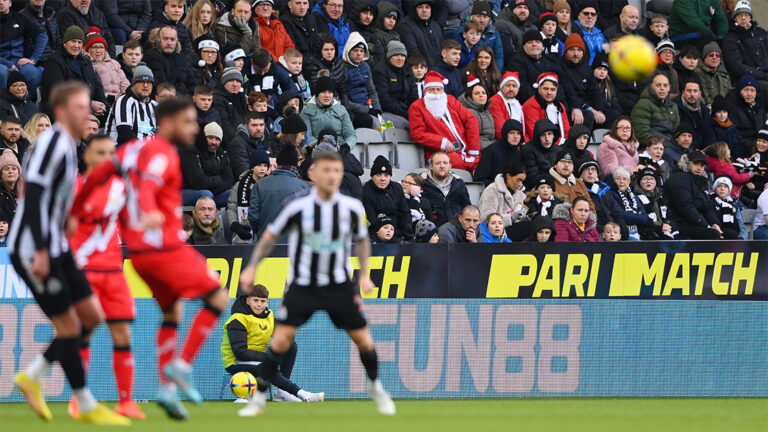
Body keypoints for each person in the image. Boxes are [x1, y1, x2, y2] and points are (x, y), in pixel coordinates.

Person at [72, 97, 229, 420]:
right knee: (217, 297)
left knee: (172, 312)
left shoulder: (129, 150)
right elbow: (148, 185)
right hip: (163, 248)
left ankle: (165, 388)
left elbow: (98, 175)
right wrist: (146, 212)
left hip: (139, 254)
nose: (194, 128)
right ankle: (181, 366)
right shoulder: (162, 152)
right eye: (188, 121)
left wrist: (75, 210)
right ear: (168, 122)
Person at [238, 151, 395, 417]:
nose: (332, 175)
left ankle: (376, 387)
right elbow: (269, 235)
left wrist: (365, 273)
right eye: (326, 170)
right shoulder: (296, 205)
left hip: (339, 285)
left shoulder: (351, 207)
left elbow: (362, 241)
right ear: (312, 174)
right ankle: (259, 399)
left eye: (337, 170)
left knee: (364, 340)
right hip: (303, 285)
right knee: (280, 342)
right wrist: (252, 266)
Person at [10, 81, 129, 426]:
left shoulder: (67, 145)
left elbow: (51, 199)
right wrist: (44, 250)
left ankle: (32, 375)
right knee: (69, 324)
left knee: (91, 316)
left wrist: (65, 222)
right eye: (79, 107)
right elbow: (32, 195)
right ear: (61, 112)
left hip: (55, 244)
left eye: (87, 106)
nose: (87, 112)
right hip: (33, 248)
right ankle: (85, 403)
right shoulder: (51, 143)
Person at [67, 134, 143, 419]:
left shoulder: (120, 188)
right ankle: (79, 400)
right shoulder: (74, 189)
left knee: (122, 333)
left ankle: (126, 402)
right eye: (101, 152)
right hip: (84, 271)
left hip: (113, 270)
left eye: (112, 153)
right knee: (82, 334)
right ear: (87, 156)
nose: (108, 159)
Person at [221, 284, 324, 403]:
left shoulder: (268, 316)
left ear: (267, 302)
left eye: (262, 301)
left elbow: (283, 335)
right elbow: (240, 353)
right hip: (235, 362)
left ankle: (281, 393)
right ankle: (303, 394)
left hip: (257, 357)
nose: (259, 305)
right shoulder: (237, 320)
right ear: (248, 300)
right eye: (255, 300)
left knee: (290, 346)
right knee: (267, 366)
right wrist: (269, 358)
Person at [408, 71, 481, 172]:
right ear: (425, 92)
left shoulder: (450, 100)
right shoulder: (416, 107)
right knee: (455, 163)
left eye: (439, 89)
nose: (436, 93)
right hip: (437, 151)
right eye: (432, 90)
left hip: (463, 149)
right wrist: (442, 142)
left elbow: (471, 119)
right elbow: (418, 134)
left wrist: (473, 148)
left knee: (482, 164)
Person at [248, 143, 309, 242]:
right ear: (294, 165)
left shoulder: (260, 185)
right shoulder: (303, 187)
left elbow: (253, 217)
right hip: (291, 246)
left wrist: (260, 231)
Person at [41, 26, 108, 116]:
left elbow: (97, 85)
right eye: (73, 41)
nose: (76, 45)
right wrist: (90, 104)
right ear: (65, 43)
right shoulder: (54, 61)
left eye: (79, 42)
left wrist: (102, 105)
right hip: (63, 109)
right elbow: (58, 91)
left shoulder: (86, 61)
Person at [664, 151, 731, 240]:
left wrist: (714, 224)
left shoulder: (701, 182)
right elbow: (685, 207)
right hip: (680, 224)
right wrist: (706, 225)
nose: (699, 168)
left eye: (702, 165)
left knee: (731, 234)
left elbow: (708, 207)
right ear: (687, 163)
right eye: (696, 164)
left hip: (697, 224)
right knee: (712, 234)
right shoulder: (678, 179)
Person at [180, 122, 233, 207]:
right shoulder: (190, 151)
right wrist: (219, 180)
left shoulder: (221, 154)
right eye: (210, 137)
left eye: (217, 139)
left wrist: (214, 188)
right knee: (206, 195)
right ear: (203, 138)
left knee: (233, 195)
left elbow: (229, 180)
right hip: (186, 192)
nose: (214, 142)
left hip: (212, 193)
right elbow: (197, 182)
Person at [105, 63, 157, 145]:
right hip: (121, 149)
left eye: (149, 82)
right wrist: (145, 150)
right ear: (133, 84)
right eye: (141, 82)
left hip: (149, 150)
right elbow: (124, 132)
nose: (146, 85)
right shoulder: (124, 101)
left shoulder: (154, 105)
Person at [362, 155, 412, 240]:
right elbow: (373, 221)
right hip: (378, 234)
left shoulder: (397, 188)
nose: (383, 178)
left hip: (398, 231)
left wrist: (407, 227)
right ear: (372, 176)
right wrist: (394, 232)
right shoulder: (366, 191)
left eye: (386, 175)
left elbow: (405, 212)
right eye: (378, 175)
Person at [559, 33, 603, 131]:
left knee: (613, 114)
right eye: (572, 50)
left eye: (579, 50)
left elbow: (594, 91)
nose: (576, 53)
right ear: (565, 52)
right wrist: (587, 109)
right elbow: (568, 93)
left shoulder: (586, 68)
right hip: (569, 107)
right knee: (588, 115)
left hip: (586, 106)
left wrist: (599, 110)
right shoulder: (560, 67)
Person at [0, 0, 46, 92]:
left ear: (10, 3)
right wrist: (9, 65)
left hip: (19, 61)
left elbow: (42, 36)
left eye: (4, 0)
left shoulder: (20, 17)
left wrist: (34, 59)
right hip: (1, 61)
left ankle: (27, 103)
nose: (1, 2)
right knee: (2, 73)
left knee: (34, 74)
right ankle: (4, 104)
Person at [227, 149, 270, 244]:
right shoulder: (240, 185)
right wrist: (235, 225)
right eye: (259, 165)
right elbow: (231, 207)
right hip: (243, 231)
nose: (262, 168)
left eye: (265, 165)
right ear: (252, 167)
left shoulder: (271, 185)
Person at [300, 76, 356, 148]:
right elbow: (307, 136)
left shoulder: (341, 109)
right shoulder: (306, 110)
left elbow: (351, 135)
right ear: (317, 94)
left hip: (340, 150)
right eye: (323, 92)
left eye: (330, 92)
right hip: (316, 151)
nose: (327, 95)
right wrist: (323, 147)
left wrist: (346, 146)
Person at [577, 155, 626, 235]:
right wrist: (604, 230)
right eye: (586, 169)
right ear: (580, 174)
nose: (590, 172)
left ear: (597, 174)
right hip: (592, 233)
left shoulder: (605, 189)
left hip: (612, 233)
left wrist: (622, 229)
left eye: (593, 169)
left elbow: (617, 212)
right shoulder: (577, 191)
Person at [372, 41, 417, 129]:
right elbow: (384, 99)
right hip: (388, 112)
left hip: (407, 111)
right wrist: (405, 113)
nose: (400, 58)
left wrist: (413, 112)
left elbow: (413, 95)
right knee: (407, 126)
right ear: (389, 56)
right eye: (396, 55)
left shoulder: (407, 70)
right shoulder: (380, 70)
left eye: (403, 55)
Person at [420, 152, 472, 227]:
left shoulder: (459, 184)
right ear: (431, 166)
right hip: (433, 232)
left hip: (457, 230)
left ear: (450, 166)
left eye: (445, 163)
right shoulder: (422, 184)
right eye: (438, 163)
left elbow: (467, 209)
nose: (442, 166)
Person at [341, 33, 381, 129]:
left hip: (368, 106)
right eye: (355, 50)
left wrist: (377, 108)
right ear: (348, 51)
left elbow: (372, 90)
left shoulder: (365, 66)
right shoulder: (342, 68)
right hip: (353, 110)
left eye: (362, 51)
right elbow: (344, 98)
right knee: (368, 121)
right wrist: (366, 110)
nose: (359, 54)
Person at [723, 2, 768, 85]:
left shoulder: (761, 33)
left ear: (750, 18)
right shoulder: (730, 38)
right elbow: (736, 66)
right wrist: (761, 74)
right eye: (740, 15)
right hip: (748, 80)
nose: (743, 18)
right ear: (735, 18)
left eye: (746, 15)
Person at [142, 26, 196, 95]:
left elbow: (192, 83)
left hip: (183, 98)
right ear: (158, 39)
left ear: (177, 41)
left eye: (172, 39)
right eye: (165, 39)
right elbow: (161, 85)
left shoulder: (181, 57)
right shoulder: (151, 56)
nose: (169, 43)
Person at [631, 73, 680, 148]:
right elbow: (642, 133)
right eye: (658, 85)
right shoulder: (643, 104)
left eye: (665, 85)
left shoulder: (673, 106)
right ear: (652, 87)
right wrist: (662, 145)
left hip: (670, 143)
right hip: (655, 146)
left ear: (669, 88)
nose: (662, 88)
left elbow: (677, 131)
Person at [522, 72, 569, 145]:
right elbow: (535, 134)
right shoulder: (530, 105)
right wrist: (562, 143)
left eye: (553, 89)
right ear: (539, 88)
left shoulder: (560, 106)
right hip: (537, 147)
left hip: (558, 145)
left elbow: (566, 131)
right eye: (546, 89)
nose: (549, 92)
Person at [726, 74, 767, 157]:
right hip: (744, 149)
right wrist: (754, 145)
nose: (749, 94)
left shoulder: (760, 106)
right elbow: (735, 132)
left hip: (760, 145)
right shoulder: (733, 107)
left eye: (752, 90)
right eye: (746, 90)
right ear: (740, 91)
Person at [474, 118, 523, 186]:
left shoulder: (518, 154)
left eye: (518, 133)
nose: (515, 137)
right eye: (512, 133)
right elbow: (480, 179)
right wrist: (500, 187)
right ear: (505, 134)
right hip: (492, 191)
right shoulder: (491, 151)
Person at [84, 28, 128, 102]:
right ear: (89, 50)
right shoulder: (87, 65)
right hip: (103, 100)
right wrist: (110, 98)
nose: (98, 50)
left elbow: (124, 81)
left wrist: (125, 95)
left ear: (105, 50)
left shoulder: (114, 63)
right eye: (95, 47)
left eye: (101, 47)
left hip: (120, 99)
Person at [478, 161, 527, 227]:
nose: (520, 184)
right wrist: (510, 218)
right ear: (508, 176)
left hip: (513, 228)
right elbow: (486, 217)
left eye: (522, 181)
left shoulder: (520, 194)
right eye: (518, 180)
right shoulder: (492, 190)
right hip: (496, 231)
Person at [634, 166, 677, 240]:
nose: (648, 181)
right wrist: (660, 226)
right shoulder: (636, 198)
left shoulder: (661, 197)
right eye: (645, 179)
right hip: (646, 232)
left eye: (651, 179)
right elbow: (642, 219)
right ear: (639, 182)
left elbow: (668, 216)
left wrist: (670, 225)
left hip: (664, 229)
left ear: (656, 181)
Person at [548, 148, 596, 213]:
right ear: (555, 165)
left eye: (570, 162)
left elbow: (590, 206)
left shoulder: (579, 183)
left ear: (573, 168)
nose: (566, 165)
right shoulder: (548, 183)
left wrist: (591, 221)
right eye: (563, 161)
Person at [610, 167, 650, 240]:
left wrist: (643, 218)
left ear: (629, 182)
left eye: (624, 179)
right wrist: (641, 218)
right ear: (614, 180)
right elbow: (623, 215)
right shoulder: (611, 194)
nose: (621, 181)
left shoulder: (634, 195)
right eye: (618, 178)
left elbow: (644, 214)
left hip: (638, 232)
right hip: (621, 233)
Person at [398, 0, 442, 67]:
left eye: (427, 7)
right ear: (414, 9)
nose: (424, 10)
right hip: (420, 70)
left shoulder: (435, 26)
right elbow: (413, 53)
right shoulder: (405, 26)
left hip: (437, 70)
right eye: (420, 7)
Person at [19, 0, 61, 69]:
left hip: (54, 59)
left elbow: (59, 41)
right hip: (36, 63)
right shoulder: (22, 16)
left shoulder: (50, 15)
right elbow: (28, 47)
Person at [675, 80, 716, 150]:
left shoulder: (704, 110)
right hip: (684, 148)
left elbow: (708, 133)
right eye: (689, 91)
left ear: (700, 94)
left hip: (703, 149)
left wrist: (708, 150)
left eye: (695, 91)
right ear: (683, 92)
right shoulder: (675, 107)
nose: (692, 94)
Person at [521, 118, 559, 189]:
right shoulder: (528, 150)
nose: (547, 139)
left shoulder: (558, 149)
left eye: (549, 134)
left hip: (557, 185)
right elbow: (532, 179)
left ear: (554, 135)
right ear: (538, 136)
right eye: (543, 135)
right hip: (537, 188)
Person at [459, 79, 495, 149]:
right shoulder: (469, 113)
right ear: (470, 97)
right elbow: (473, 139)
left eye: (484, 93)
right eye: (476, 93)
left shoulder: (487, 111)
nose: (481, 95)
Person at [488, 71, 523, 139]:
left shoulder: (516, 103)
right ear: (501, 87)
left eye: (514, 86)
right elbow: (500, 130)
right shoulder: (495, 101)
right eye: (508, 85)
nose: (511, 89)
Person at [711, 175, 747, 239]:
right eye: (719, 186)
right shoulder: (710, 202)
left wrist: (742, 238)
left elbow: (741, 225)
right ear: (715, 188)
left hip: (734, 237)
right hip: (717, 236)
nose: (722, 189)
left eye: (725, 186)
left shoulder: (734, 205)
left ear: (729, 189)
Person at [592, 52, 622, 128]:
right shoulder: (590, 82)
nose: (602, 72)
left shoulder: (608, 83)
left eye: (605, 70)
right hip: (594, 113)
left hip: (606, 113)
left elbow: (614, 102)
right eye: (599, 69)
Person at [571, 1, 606, 65]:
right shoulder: (573, 31)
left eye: (593, 14)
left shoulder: (600, 34)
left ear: (596, 18)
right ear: (579, 16)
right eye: (586, 13)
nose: (590, 17)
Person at [0, 149, 20, 224]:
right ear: (1, 174)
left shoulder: (24, 193)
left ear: (18, 173)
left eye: (14, 168)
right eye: (6, 169)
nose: (10, 171)